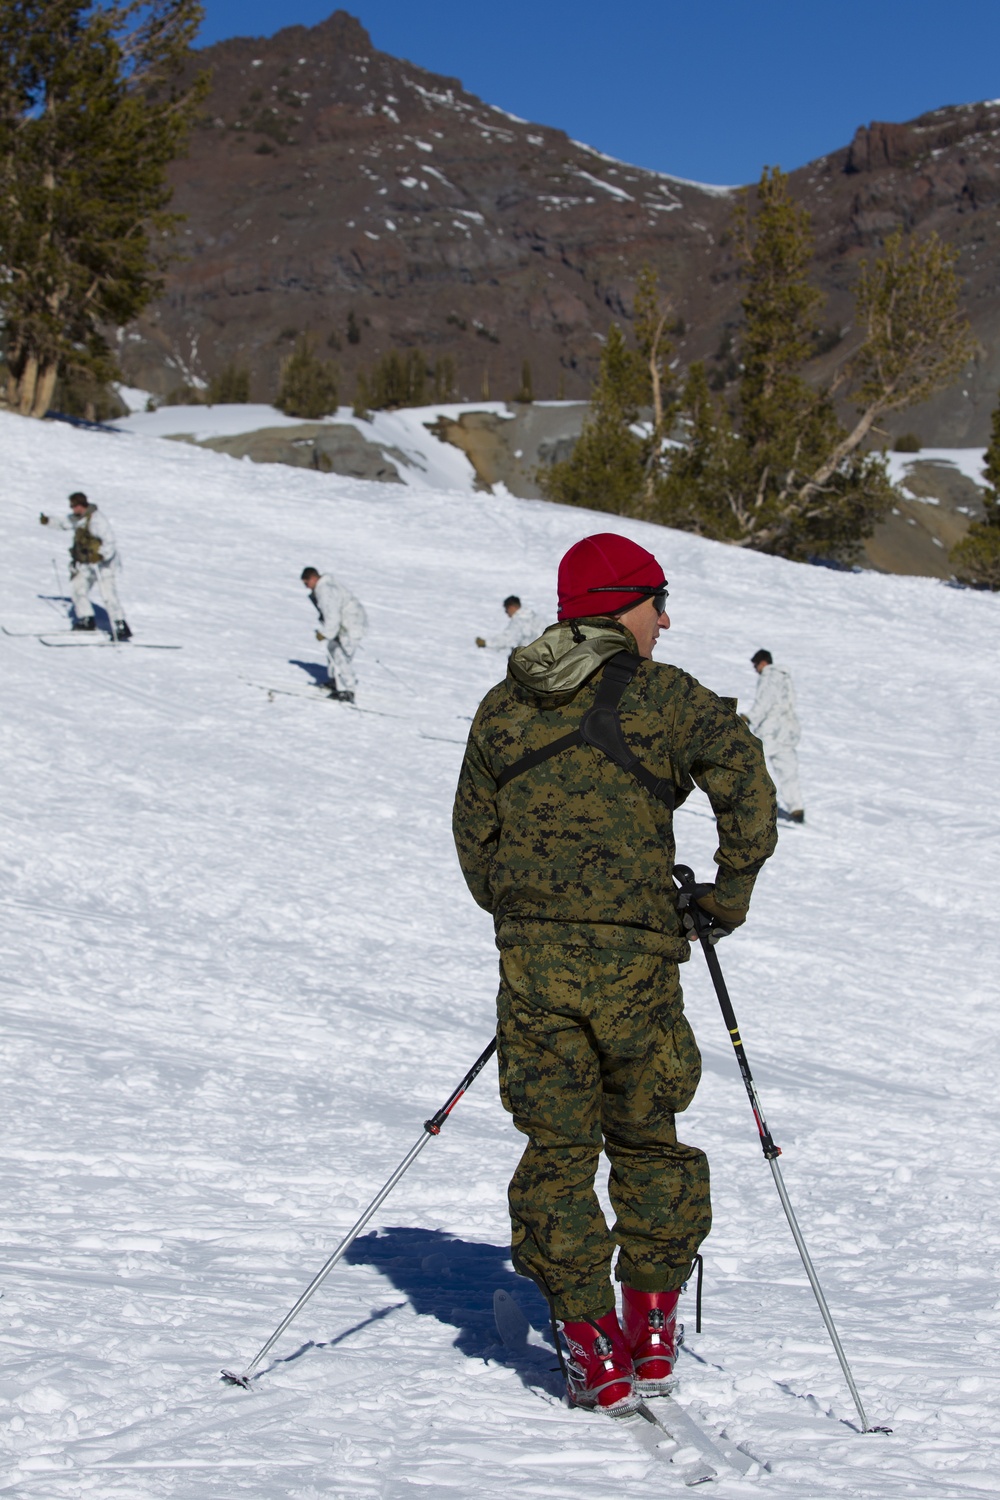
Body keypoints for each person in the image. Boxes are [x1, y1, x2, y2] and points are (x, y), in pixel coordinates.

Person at [453, 532, 777, 1418]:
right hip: (638, 968)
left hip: (535, 969)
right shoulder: (664, 699)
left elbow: (473, 836)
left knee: (557, 1149)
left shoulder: (503, 706)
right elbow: (744, 770)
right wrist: (729, 894)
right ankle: (652, 1325)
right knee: (646, 1138)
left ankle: (592, 1345)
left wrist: (526, 916)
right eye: (655, 602)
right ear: (615, 604)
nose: (665, 620)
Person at [39, 492, 131, 640]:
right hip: (86, 564)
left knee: (108, 596)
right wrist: (47, 521)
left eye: (74, 506)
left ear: (81, 505)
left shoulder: (97, 520)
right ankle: (86, 620)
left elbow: (110, 542)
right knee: (78, 589)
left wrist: (101, 555)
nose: (72, 509)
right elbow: (64, 523)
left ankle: (120, 625)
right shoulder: (78, 519)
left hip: (104, 566)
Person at [747, 649, 804, 823]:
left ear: (762, 663)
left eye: (756, 666)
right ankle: (796, 808)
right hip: (788, 731)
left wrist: (749, 717)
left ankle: (751, 802)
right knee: (787, 771)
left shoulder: (769, 675)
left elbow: (764, 700)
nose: (756, 670)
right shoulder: (785, 677)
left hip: (771, 731)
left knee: (750, 762)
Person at [300, 566, 367, 702]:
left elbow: (332, 616)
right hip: (345, 624)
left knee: (340, 656)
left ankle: (347, 690)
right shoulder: (325, 586)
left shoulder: (325, 590)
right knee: (333, 650)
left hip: (349, 626)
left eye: (307, 583)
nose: (307, 587)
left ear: (313, 578)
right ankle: (335, 681)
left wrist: (324, 633)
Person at [475, 595, 544, 652]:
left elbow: (507, 639)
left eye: (506, 610)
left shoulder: (519, 621)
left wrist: (486, 643)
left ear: (511, 607)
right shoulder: (538, 618)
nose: (506, 613)